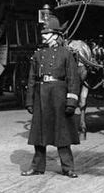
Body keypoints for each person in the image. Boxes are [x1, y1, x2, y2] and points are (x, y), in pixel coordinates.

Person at [22, 15, 80, 178]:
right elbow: (32, 78)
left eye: (46, 33)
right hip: (41, 96)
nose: (43, 36)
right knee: (39, 135)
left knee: (62, 134)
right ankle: (37, 167)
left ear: (55, 35)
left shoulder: (66, 54)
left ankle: (68, 167)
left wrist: (71, 101)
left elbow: (73, 79)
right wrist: (29, 101)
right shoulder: (38, 54)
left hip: (59, 96)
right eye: (43, 33)